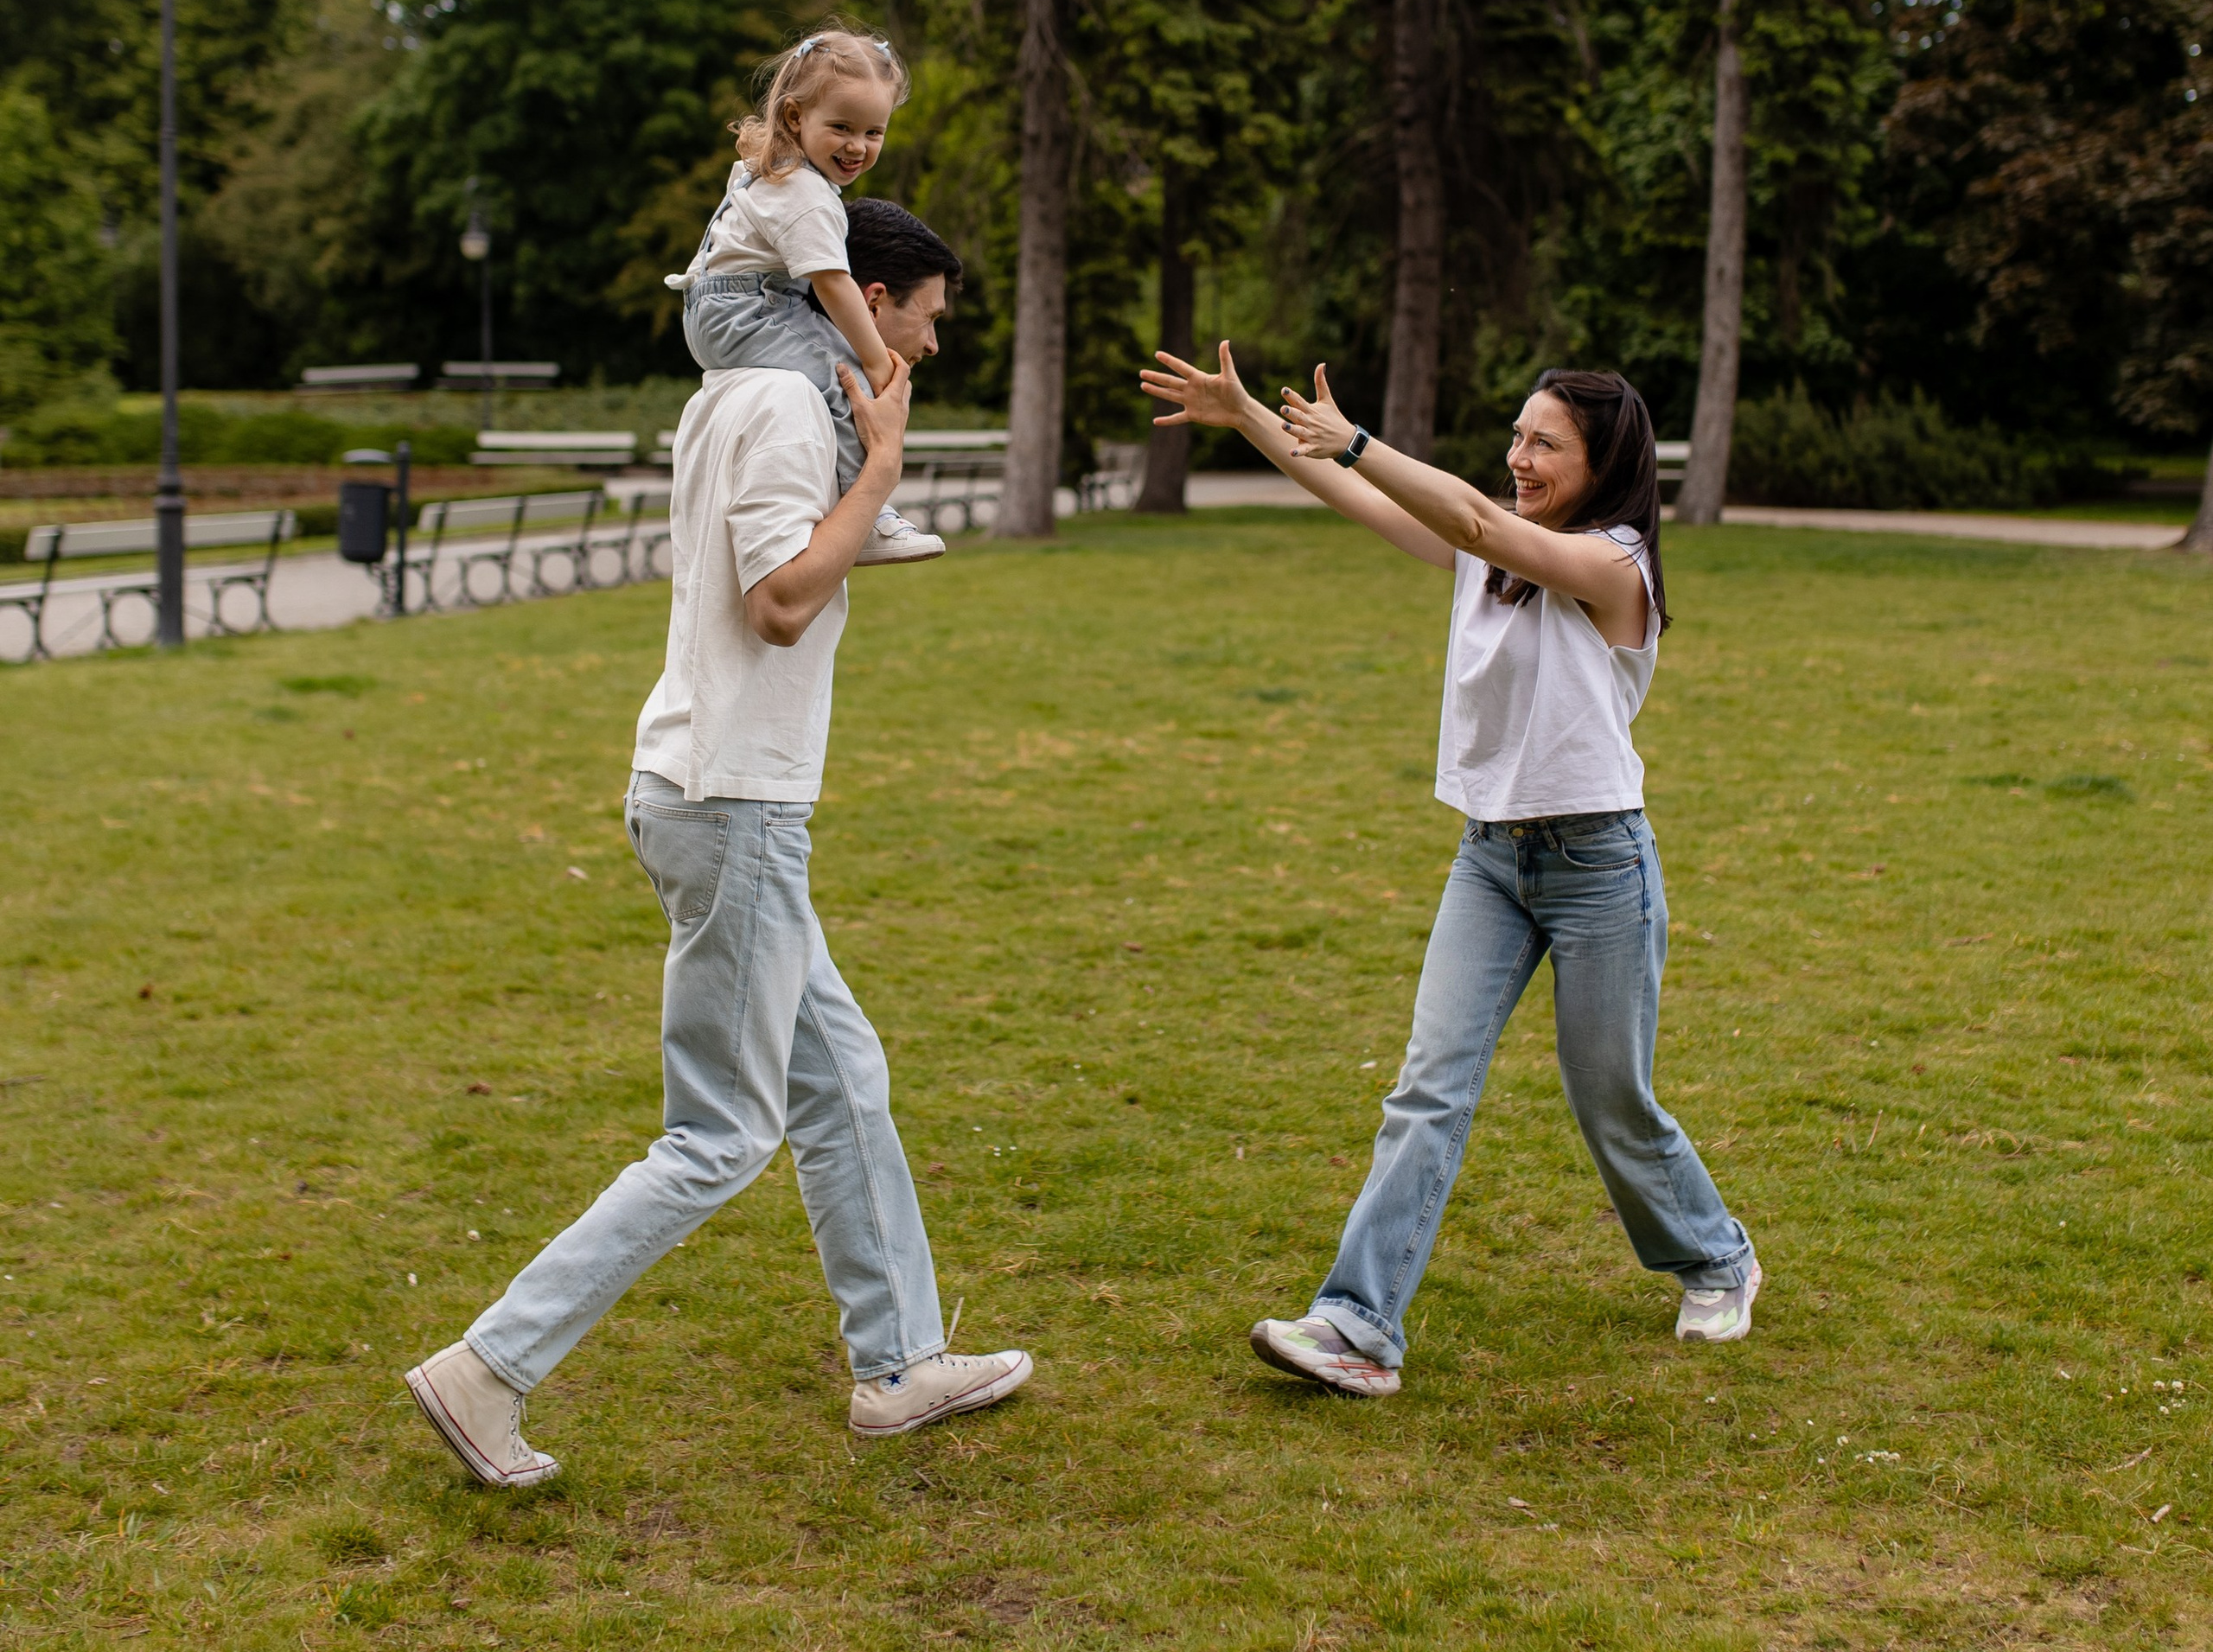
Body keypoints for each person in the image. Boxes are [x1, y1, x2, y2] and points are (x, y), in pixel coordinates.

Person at [405, 198, 1032, 1488]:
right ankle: (488, 1368)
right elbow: (782, 601)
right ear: (862, 290)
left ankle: (902, 1361)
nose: (931, 337)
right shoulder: (781, 409)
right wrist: (880, 474)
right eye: (926, 311)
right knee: (722, 1133)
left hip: (723, 791)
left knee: (844, 1076)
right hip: (731, 800)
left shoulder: (759, 394)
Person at [1138, 344, 1759, 1395]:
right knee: (1427, 1088)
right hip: (1490, 857)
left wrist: (1367, 437)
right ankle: (1356, 1325)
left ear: (1603, 461)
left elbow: (1470, 515)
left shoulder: (1616, 568)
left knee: (1611, 1098)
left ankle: (1717, 1258)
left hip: (1599, 861)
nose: (1519, 455)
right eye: (1513, 436)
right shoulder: (1493, 552)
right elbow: (1362, 494)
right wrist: (1248, 416)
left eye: (1543, 443)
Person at [666, 26, 941, 565]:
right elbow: (834, 283)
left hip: (720, 307)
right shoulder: (806, 192)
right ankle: (866, 518)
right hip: (747, 310)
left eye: (874, 132)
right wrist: (876, 363)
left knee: (838, 372)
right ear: (795, 118)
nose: (858, 146)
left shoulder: (769, 170)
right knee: (847, 380)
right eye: (841, 127)